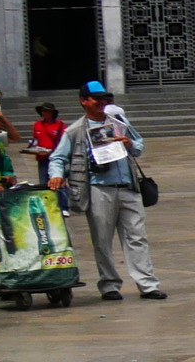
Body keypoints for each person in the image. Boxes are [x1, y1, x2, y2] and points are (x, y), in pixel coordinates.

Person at [48, 81, 164, 301]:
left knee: (137, 237)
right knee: (102, 240)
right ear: (84, 101)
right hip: (99, 189)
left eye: (104, 98)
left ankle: (147, 284)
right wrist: (56, 175)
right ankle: (109, 285)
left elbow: (139, 146)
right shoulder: (74, 131)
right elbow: (58, 157)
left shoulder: (118, 123)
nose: (101, 102)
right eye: (96, 98)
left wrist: (128, 143)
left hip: (128, 187)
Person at [26, 103, 66, 188]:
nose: (43, 113)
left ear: (52, 113)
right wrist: (31, 148)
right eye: (42, 111)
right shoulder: (37, 124)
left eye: (46, 111)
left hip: (55, 158)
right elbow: (35, 140)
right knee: (43, 183)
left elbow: (63, 142)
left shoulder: (60, 125)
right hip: (42, 158)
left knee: (57, 182)